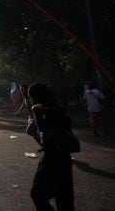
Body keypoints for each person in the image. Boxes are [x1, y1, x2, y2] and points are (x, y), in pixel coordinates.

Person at [28, 83, 75, 211]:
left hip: (52, 158)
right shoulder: (55, 106)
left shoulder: (48, 110)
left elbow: (45, 132)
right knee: (64, 199)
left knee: (37, 193)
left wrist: (37, 117)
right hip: (63, 158)